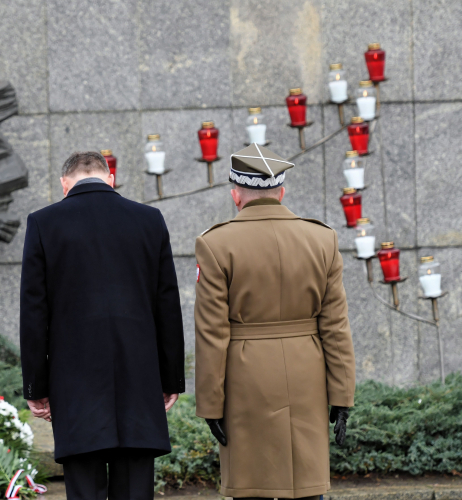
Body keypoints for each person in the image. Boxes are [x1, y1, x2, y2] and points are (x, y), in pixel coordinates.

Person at [20, 151, 185, 500]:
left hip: (74, 387)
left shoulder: (43, 222)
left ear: (65, 184)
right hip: (139, 384)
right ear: (110, 178)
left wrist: (36, 386)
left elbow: (34, 312)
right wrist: (170, 379)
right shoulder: (149, 219)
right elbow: (167, 305)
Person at [194, 144, 356, 500]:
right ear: (281, 192)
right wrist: (342, 395)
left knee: (252, 487)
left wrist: (210, 404)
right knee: (307, 488)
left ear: (236, 195)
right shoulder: (323, 238)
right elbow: (335, 326)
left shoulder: (215, 244)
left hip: (247, 376)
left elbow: (212, 333)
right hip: (306, 374)